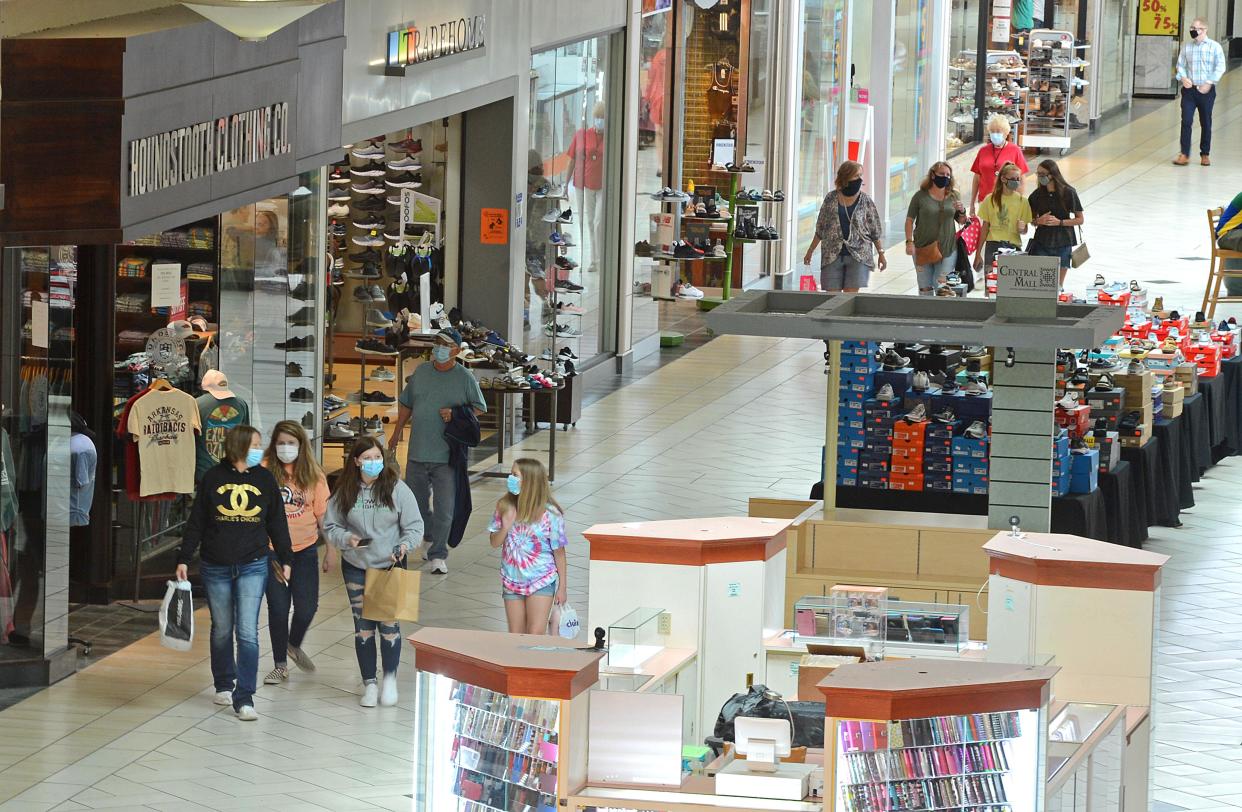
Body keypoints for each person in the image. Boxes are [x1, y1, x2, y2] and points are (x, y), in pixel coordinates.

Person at [176, 425, 292, 722]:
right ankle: (224, 683)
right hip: (215, 564)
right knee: (222, 628)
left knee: (247, 632)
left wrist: (286, 557)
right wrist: (184, 558)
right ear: (239, 446)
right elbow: (197, 522)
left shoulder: (265, 479)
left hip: (254, 563)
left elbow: (277, 522)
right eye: (254, 444)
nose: (259, 449)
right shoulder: (213, 478)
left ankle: (245, 697)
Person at [323, 437, 424, 708]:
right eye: (366, 458)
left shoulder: (397, 489)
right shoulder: (344, 491)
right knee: (363, 626)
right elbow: (330, 526)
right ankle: (369, 682)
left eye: (376, 457)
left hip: (389, 565)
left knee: (388, 625)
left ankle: (390, 678)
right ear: (355, 461)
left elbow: (415, 526)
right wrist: (347, 538)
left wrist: (404, 545)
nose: (372, 462)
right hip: (356, 566)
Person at [387, 327, 486, 576]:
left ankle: (439, 554)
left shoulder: (464, 377)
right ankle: (429, 536)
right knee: (416, 504)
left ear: (456, 350)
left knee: (445, 508)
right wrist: (397, 431)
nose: (439, 348)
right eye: (437, 343)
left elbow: (479, 407)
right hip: (418, 450)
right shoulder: (421, 372)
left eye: (445, 344)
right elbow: (407, 403)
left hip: (447, 454)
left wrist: (456, 414)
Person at [261, 420, 331, 686]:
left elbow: (323, 515)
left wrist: (330, 551)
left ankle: (293, 644)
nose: (285, 448)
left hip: (305, 551)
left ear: (301, 445)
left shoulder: (313, 474)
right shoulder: (265, 470)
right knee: (278, 608)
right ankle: (280, 665)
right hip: (273, 554)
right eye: (281, 443)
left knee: (307, 607)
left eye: (291, 443)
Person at [488, 458, 568, 635]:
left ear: (530, 481)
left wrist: (562, 587)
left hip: (541, 580)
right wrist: (505, 527)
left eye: (515, 475)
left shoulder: (552, 515)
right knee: (516, 634)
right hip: (511, 579)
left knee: (535, 633)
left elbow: (559, 553)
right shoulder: (504, 506)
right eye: (511, 474)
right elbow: (494, 542)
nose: (510, 478)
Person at [803, 160, 886, 292]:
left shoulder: (866, 201)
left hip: (858, 255)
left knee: (849, 299)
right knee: (831, 298)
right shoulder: (831, 198)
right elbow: (821, 227)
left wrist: (881, 253)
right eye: (856, 176)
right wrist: (810, 251)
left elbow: (874, 229)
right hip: (832, 255)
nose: (860, 179)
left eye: (860, 176)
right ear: (845, 177)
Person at [905, 162, 968, 295]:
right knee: (925, 287)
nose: (945, 177)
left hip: (947, 248)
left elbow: (961, 220)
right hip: (922, 247)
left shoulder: (954, 196)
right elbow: (910, 220)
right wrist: (909, 242)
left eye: (948, 175)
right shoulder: (920, 196)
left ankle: (940, 314)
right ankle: (925, 313)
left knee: (942, 287)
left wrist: (962, 211)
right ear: (933, 175)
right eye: (941, 174)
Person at [1173, 19, 1225, 167]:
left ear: (1204, 30)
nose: (1193, 30)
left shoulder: (1214, 47)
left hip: (1206, 92)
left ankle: (1205, 153)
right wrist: (1182, 78)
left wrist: (1209, 82)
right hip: (1189, 91)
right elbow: (1180, 65)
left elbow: (1221, 66)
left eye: (1197, 28)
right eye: (1191, 27)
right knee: (1186, 121)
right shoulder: (1187, 47)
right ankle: (1184, 154)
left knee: (1206, 122)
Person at [1026, 159, 1083, 286]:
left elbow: (1080, 219)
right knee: (1040, 283)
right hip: (1042, 241)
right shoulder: (1037, 195)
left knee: (1058, 285)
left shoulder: (1068, 192)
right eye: (1038, 174)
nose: (1040, 177)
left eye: (1042, 174)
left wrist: (1060, 222)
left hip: (1063, 242)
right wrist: (1038, 221)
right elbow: (1029, 219)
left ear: (1052, 174)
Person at [564, 102, 607, 272]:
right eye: (597, 118)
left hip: (603, 185)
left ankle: (602, 257)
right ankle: (594, 260)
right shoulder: (582, 135)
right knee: (589, 222)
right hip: (585, 184)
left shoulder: (612, 136)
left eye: (602, 118)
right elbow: (572, 160)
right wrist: (565, 185)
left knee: (598, 222)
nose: (599, 121)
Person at [973, 162, 1032, 276]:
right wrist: (978, 253)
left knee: (1012, 287)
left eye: (1018, 179)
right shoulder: (990, 199)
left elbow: (1025, 230)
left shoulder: (1023, 201)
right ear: (1003, 179)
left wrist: (1022, 229)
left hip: (1013, 246)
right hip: (993, 246)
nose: (1016, 181)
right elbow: (985, 228)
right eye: (1013, 178)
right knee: (991, 284)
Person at [968, 115, 1028, 213]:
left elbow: (1022, 178)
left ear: (1006, 133)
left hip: (1007, 201)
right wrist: (972, 203)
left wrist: (1019, 201)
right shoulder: (983, 151)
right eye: (992, 131)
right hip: (985, 200)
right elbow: (977, 177)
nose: (995, 134)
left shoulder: (1015, 150)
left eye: (998, 131)